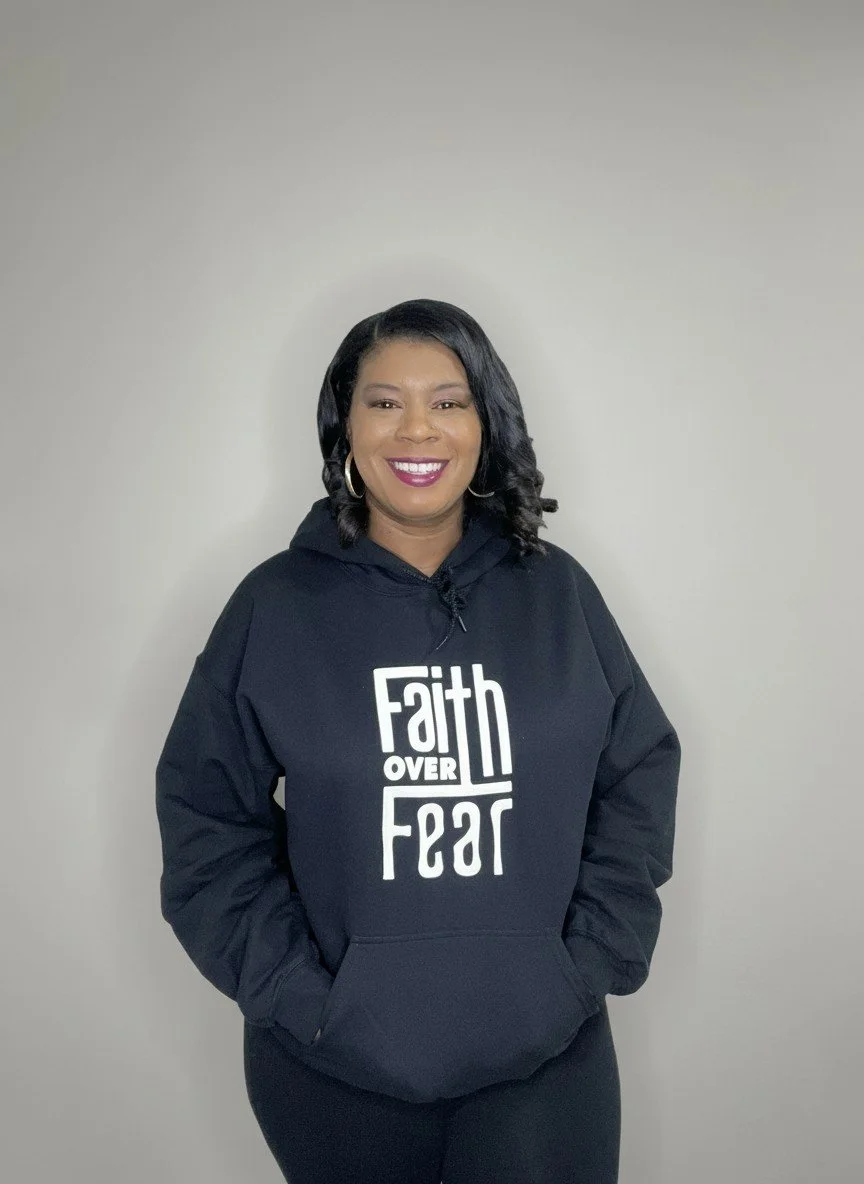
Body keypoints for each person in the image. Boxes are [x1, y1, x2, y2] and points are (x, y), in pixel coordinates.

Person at [155, 297, 682, 1183]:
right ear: (344, 425)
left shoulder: (559, 597)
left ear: (485, 423)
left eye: (448, 401)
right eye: (383, 400)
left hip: (546, 1058)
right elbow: (206, 817)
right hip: (335, 1069)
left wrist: (582, 967)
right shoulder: (276, 606)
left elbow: (637, 771)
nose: (417, 429)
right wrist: (302, 997)